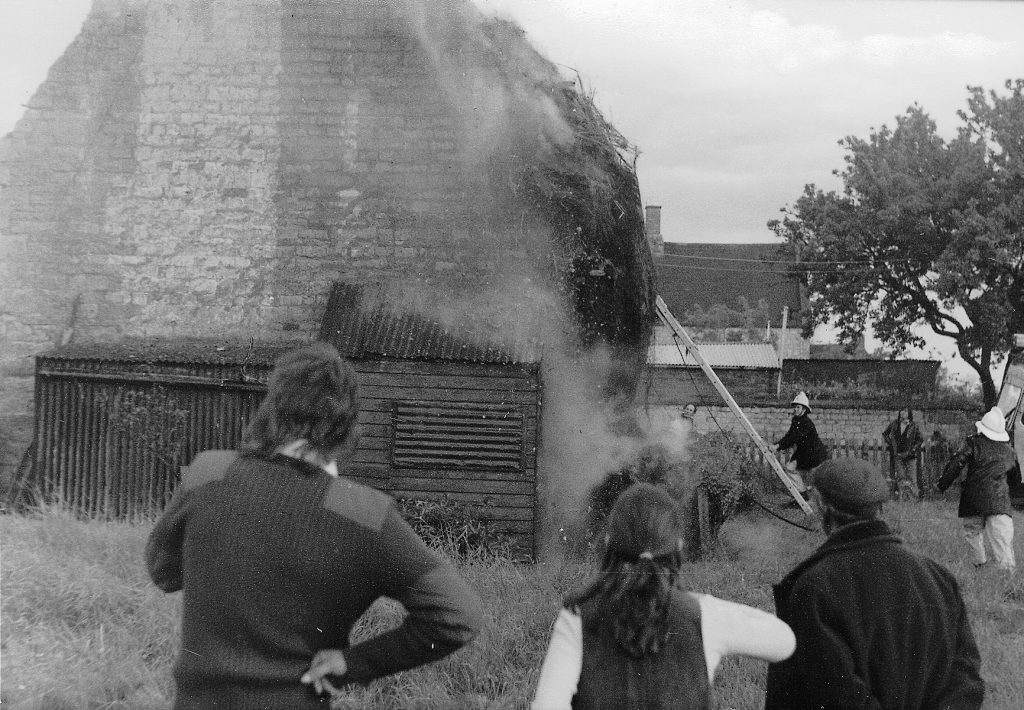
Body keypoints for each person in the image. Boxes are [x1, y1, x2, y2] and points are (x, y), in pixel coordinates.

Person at [146, 343, 483, 708]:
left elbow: (162, 572)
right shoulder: (363, 511)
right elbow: (458, 615)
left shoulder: (209, 471)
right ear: (347, 427)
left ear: (272, 408)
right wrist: (354, 664)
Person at [532, 483, 795, 710]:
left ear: (609, 542)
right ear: (678, 546)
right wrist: (704, 604)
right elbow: (784, 640)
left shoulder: (577, 616)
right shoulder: (705, 616)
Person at [765, 458, 985, 710]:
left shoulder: (815, 588)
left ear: (821, 505)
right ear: (879, 507)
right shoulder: (937, 576)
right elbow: (965, 680)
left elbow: (839, 697)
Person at [937, 406, 1017, 571]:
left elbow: (956, 464)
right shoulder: (1009, 452)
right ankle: (1007, 574)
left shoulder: (972, 443)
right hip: (999, 500)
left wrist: (943, 484)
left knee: (973, 532)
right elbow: (1014, 477)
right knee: (1001, 539)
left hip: (973, 498)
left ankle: (979, 565)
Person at [775, 391, 829, 497]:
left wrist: (777, 446)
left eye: (798, 407)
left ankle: (805, 495)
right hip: (804, 453)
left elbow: (794, 437)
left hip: (815, 454)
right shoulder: (796, 420)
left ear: (804, 409)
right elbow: (789, 435)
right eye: (794, 407)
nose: (795, 409)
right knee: (791, 468)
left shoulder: (807, 423)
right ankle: (803, 494)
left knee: (815, 478)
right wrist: (777, 445)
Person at [883, 408, 924, 499]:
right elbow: (885, 434)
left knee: (912, 478)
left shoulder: (913, 426)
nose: (903, 413)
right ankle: (903, 498)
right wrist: (891, 444)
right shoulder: (894, 424)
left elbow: (920, 439)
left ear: (909, 413)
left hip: (910, 456)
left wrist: (913, 449)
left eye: (905, 411)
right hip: (898, 455)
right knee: (901, 477)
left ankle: (914, 497)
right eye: (901, 411)